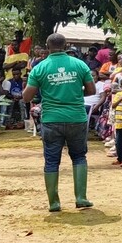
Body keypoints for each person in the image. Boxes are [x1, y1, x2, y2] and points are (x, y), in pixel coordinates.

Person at [23, 33, 96, 212]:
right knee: (79, 157)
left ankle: (54, 202)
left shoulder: (40, 68)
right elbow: (91, 90)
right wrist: (75, 94)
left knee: (51, 161)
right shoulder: (79, 64)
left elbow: (27, 96)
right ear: (66, 46)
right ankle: (81, 198)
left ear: (47, 47)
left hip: (51, 120)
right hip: (76, 118)